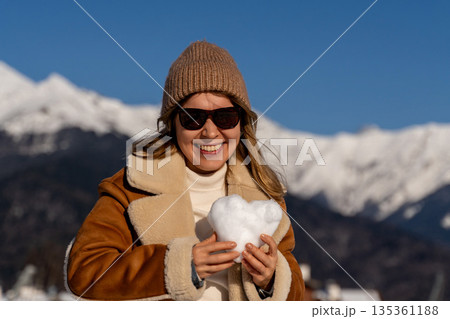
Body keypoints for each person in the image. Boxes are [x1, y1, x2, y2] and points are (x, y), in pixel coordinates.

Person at [65, 40, 305, 301]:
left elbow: (296, 293)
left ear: (241, 123)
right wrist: (180, 266)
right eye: (193, 118)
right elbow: (85, 272)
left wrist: (270, 280)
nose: (211, 132)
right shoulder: (130, 189)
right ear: (173, 125)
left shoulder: (264, 195)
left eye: (225, 117)